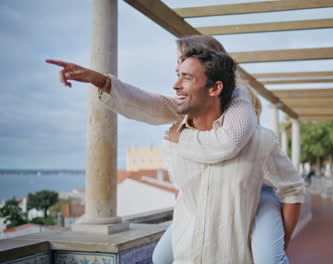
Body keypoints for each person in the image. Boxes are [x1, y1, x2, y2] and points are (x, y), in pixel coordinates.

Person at [46, 36, 304, 263]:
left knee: (269, 258)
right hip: (213, 206)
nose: (176, 82)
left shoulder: (239, 102)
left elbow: (229, 143)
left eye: (185, 69)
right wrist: (100, 81)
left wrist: (283, 243)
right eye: (178, 69)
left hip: (261, 190)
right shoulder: (180, 122)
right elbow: (151, 105)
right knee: (161, 257)